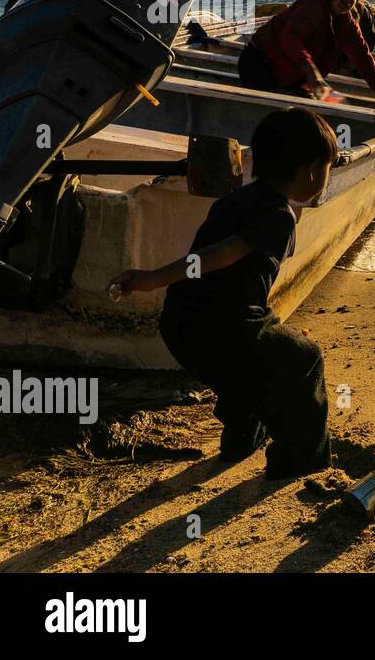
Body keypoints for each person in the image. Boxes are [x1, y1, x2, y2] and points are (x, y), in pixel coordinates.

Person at [108, 108, 338, 479]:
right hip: (223, 328)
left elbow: (221, 265)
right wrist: (153, 277)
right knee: (304, 358)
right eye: (330, 166)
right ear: (311, 169)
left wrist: (156, 280)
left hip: (181, 327)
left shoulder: (234, 201)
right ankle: (300, 460)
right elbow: (221, 254)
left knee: (245, 366)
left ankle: (242, 438)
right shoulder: (279, 216)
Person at [238, 0, 375, 106]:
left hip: (294, 74)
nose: (347, 1)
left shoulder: (346, 21)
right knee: (276, 113)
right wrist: (312, 72)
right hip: (259, 63)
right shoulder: (312, 7)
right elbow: (289, 38)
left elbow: (362, 57)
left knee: (328, 106)